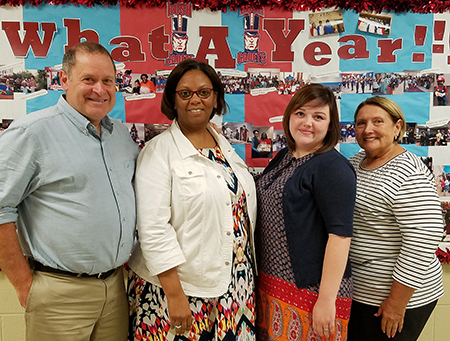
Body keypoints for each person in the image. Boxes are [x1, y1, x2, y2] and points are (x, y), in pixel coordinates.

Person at [0, 42, 140, 341]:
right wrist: (25, 284)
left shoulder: (120, 137)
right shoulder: (31, 133)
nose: (99, 90)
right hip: (59, 294)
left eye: (108, 81)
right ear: (64, 79)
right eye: (88, 79)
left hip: (115, 288)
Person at [127, 59, 257, 341]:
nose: (195, 100)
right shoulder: (158, 152)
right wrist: (174, 294)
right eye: (185, 93)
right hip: (179, 289)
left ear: (216, 98)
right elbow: (153, 229)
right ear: (173, 100)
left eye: (204, 92)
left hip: (233, 285)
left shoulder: (225, 148)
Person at [255, 84, 356, 341]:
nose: (307, 122)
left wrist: (326, 300)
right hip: (273, 284)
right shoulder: (283, 157)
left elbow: (340, 237)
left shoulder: (333, 168)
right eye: (301, 113)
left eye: (318, 116)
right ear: (289, 116)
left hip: (312, 292)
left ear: (330, 124)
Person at [347, 96, 444, 340]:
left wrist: (396, 303)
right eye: (361, 123)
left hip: (396, 300)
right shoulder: (357, 162)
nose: (368, 129)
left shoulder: (409, 174)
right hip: (362, 293)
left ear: (397, 127)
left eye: (377, 121)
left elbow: (422, 242)